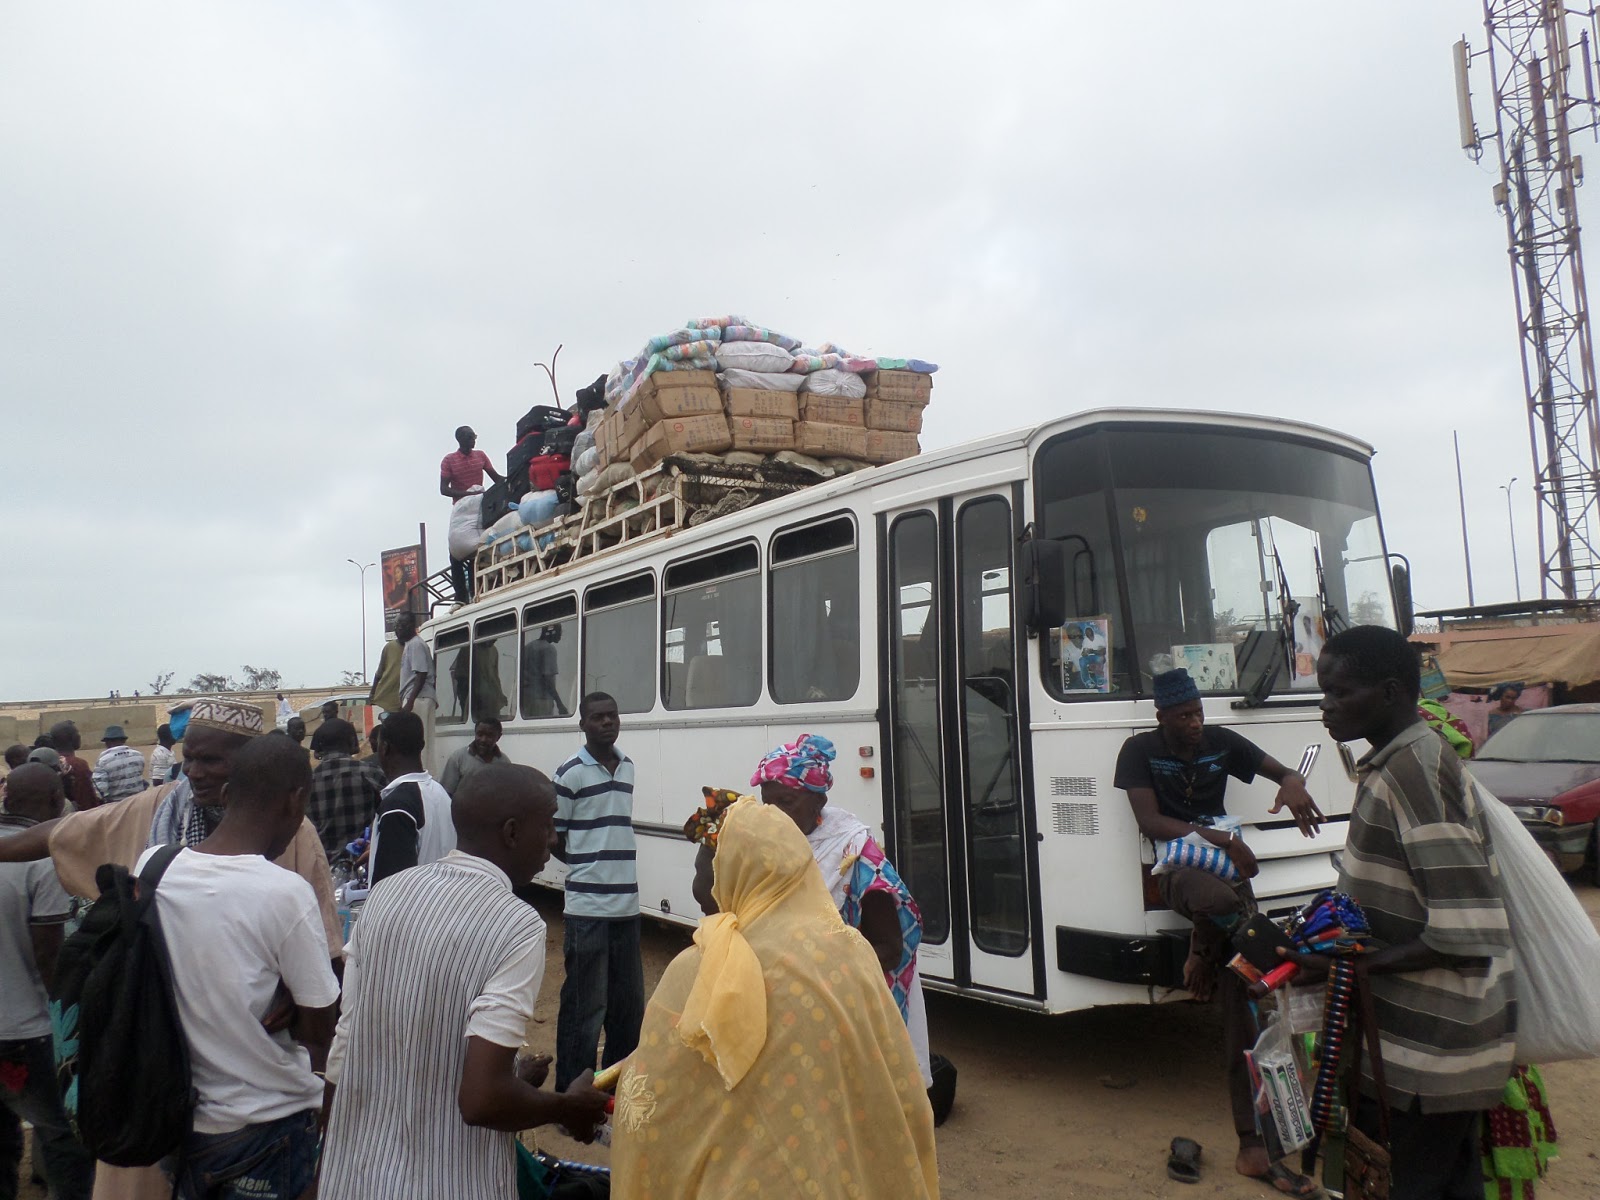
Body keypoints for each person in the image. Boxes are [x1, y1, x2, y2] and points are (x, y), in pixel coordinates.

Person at [0, 698, 342, 1200]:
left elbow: (322, 950)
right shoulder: (154, 813)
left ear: (246, 769)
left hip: (249, 1076)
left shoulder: (294, 833)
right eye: (191, 758)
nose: (196, 773)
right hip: (151, 1074)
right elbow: (66, 834)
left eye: (212, 761)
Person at [1283, 626, 1516, 1200]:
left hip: (1429, 1057)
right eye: (1323, 691)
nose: (1325, 706)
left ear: (1389, 693)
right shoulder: (1394, 762)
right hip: (1413, 1053)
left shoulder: (1414, 772)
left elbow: (1466, 929)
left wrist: (1349, 969)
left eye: (1339, 693)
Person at [611, 798, 939, 1200]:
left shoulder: (698, 969)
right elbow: (898, 1081)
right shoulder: (849, 952)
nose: (699, 877)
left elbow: (655, 1102)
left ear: (731, 874)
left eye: (707, 864)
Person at [318, 765, 609, 1198]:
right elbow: (482, 1100)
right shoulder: (516, 924)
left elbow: (347, 1046)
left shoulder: (386, 894)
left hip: (357, 1177)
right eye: (547, 823)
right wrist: (568, 1106)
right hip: (450, 1182)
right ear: (511, 832)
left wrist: (327, 1159)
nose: (553, 838)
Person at [1113, 667, 1323, 1196]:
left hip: (1227, 886)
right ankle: (1232, 951)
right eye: (1184, 717)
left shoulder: (1220, 741)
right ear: (1161, 717)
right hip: (1180, 869)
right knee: (1224, 906)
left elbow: (1279, 772)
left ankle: (1252, 1144)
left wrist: (1294, 783)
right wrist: (1220, 840)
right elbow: (1150, 822)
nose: (1195, 725)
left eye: (1199, 714)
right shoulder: (1137, 752)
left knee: (1242, 1007)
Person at [140, 734, 340, 1200]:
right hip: (267, 1124)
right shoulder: (285, 894)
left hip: (178, 1117)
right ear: (296, 801)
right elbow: (319, 1031)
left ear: (227, 795)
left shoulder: (154, 867)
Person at [733, 733, 934, 1089]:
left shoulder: (856, 856)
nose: (775, 815)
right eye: (768, 805)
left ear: (819, 801)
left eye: (787, 802)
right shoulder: (768, 846)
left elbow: (889, 950)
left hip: (847, 1010)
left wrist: (816, 965)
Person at [0, 764, 94, 1200]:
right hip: (30, 1032)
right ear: (58, 802)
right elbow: (48, 954)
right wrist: (73, 1021)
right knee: (60, 1134)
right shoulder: (42, 858)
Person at [552, 692, 644, 1091]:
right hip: (586, 908)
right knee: (584, 1009)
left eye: (612, 715)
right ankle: (571, 1096)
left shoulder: (627, 767)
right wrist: (583, 867)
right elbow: (554, 836)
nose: (607, 722)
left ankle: (614, 1091)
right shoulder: (570, 773)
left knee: (627, 1010)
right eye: (597, 717)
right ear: (583, 725)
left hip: (627, 906)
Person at [368, 712, 456, 885]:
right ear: (422, 746)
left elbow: (391, 887)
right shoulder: (441, 794)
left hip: (414, 910)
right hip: (443, 905)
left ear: (384, 748)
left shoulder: (397, 806)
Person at [306, 718, 387, 859]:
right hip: (364, 863)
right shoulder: (371, 773)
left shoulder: (307, 782)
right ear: (352, 742)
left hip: (324, 866)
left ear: (320, 747)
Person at [441, 426, 504, 605]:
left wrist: (509, 482)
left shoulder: (481, 456)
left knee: (478, 546)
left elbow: (495, 477)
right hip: (462, 509)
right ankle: (460, 596)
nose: (473, 440)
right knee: (456, 553)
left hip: (479, 506)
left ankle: (477, 590)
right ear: (460, 439)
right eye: (470, 437)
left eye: (474, 437)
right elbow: (444, 489)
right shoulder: (449, 460)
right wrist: (467, 494)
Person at [395, 614, 437, 770]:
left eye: (401, 625)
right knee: (425, 743)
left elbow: (421, 673)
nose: (397, 629)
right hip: (421, 697)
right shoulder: (411, 644)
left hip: (418, 697)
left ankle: (421, 778)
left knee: (418, 742)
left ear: (411, 626)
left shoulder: (415, 644)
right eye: (396, 626)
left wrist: (410, 701)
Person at [439, 717, 508, 797]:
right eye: (480, 734)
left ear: (499, 737)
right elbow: (446, 793)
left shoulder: (504, 762)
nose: (483, 740)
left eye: (489, 735)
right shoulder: (458, 758)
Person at [49, 722, 99, 812]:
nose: (79, 736)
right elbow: (87, 799)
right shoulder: (79, 764)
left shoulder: (50, 762)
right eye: (77, 734)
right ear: (73, 739)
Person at [91, 725, 146, 804]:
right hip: (138, 802)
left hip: (116, 805)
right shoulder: (138, 755)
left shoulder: (103, 760)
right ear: (123, 740)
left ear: (108, 742)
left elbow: (100, 790)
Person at [367, 635, 404, 715]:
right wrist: (372, 694)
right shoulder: (389, 647)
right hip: (390, 698)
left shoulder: (415, 645)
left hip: (408, 697)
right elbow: (379, 672)